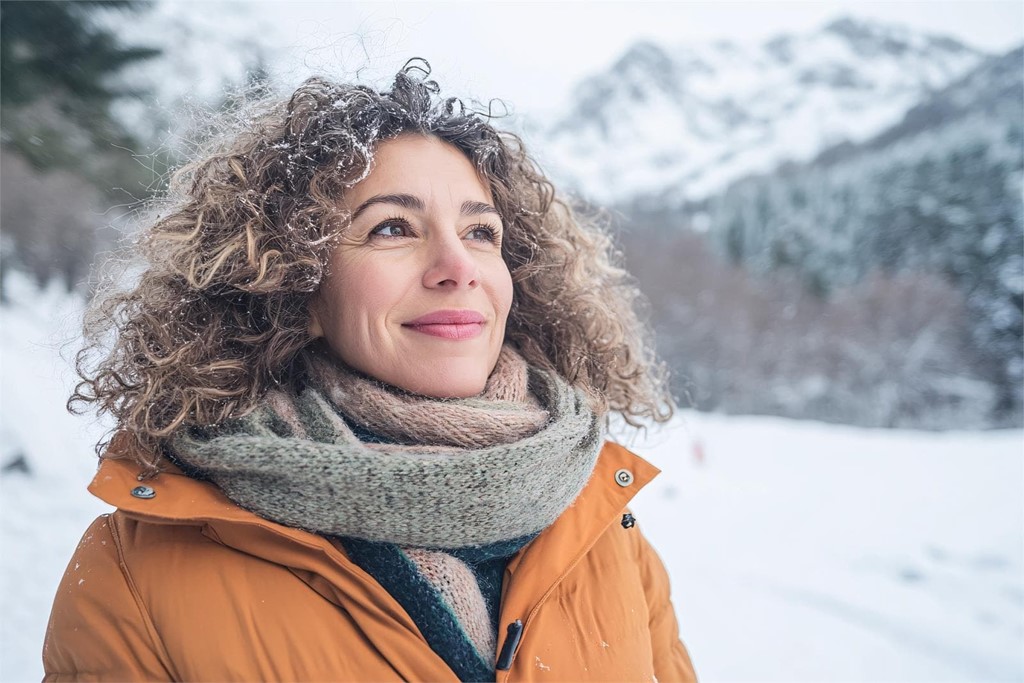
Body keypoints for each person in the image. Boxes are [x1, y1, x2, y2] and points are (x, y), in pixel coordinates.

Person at [44, 61, 698, 682]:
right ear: (295, 287)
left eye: (480, 233)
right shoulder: (135, 573)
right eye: (392, 227)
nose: (458, 265)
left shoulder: (609, 532)